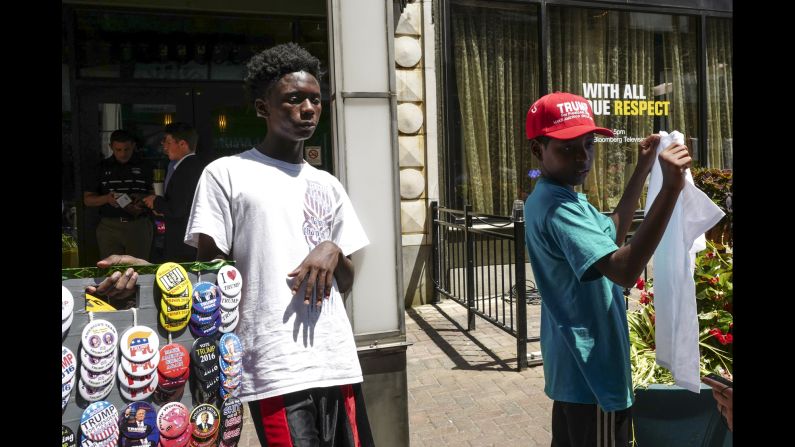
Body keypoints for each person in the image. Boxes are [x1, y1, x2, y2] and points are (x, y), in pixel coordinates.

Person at [183, 43, 375, 447]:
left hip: (335, 357)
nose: (307, 108)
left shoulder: (328, 184)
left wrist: (333, 249)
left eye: (315, 100)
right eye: (293, 99)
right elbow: (211, 274)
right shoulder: (227, 174)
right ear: (262, 108)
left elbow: (347, 280)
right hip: (273, 361)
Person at [522, 92, 692, 446]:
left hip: (577, 370)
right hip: (592, 377)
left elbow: (611, 232)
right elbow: (625, 269)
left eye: (588, 144)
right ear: (538, 150)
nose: (583, 158)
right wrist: (670, 190)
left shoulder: (561, 194)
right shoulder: (557, 206)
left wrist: (642, 170)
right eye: (567, 148)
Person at [84, 129, 154, 259]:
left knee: (139, 270)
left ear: (133, 146)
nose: (123, 154)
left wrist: (141, 199)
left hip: (138, 224)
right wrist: (106, 198)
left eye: (126, 149)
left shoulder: (145, 166)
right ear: (111, 147)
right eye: (118, 150)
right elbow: (87, 199)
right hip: (109, 226)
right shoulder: (101, 167)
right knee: (112, 270)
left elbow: (154, 194)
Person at [142, 122, 206, 262]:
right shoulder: (193, 165)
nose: (164, 147)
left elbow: (177, 208)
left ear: (182, 144)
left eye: (168, 142)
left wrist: (155, 201)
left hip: (184, 240)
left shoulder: (187, 168)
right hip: (190, 239)